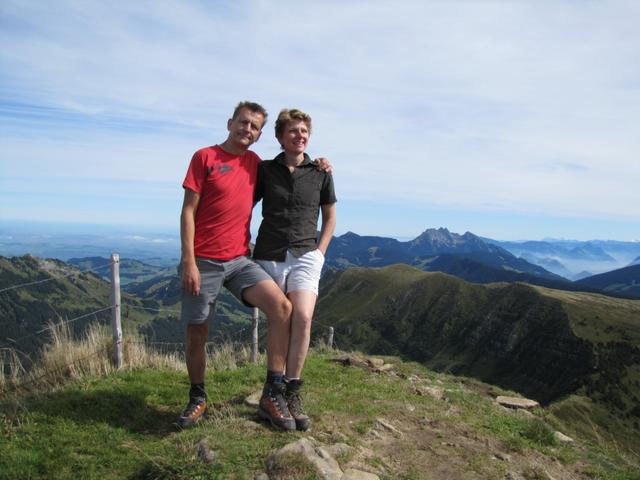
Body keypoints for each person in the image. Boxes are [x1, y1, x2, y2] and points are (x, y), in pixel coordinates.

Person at [179, 102, 295, 430]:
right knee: (197, 333)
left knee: (282, 308)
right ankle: (198, 397)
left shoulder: (255, 164)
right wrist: (189, 261)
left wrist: (320, 164)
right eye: (243, 122)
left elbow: (290, 169)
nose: (247, 129)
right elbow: (188, 211)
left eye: (254, 127)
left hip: (240, 260)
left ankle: (272, 394)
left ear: (259, 135)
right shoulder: (204, 157)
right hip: (204, 261)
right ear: (230, 123)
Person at [253, 108, 337, 431]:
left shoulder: (321, 172)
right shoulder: (265, 170)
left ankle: (291, 390)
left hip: (305, 254)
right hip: (270, 254)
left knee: (302, 316)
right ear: (280, 136)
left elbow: (330, 217)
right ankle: (273, 392)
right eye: (292, 130)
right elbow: (244, 206)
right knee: (281, 317)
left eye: (304, 131)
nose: (299, 135)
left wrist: (320, 253)